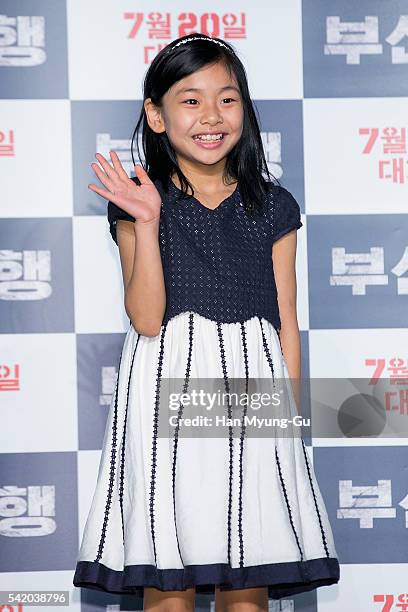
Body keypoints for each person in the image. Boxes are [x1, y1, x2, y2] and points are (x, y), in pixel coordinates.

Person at [73, 33, 340, 610]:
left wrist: (286, 421)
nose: (211, 116)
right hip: (167, 382)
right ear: (157, 114)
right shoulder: (138, 198)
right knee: (171, 584)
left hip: (254, 386)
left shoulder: (274, 205)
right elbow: (145, 318)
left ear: (245, 107)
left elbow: (285, 319)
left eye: (227, 98)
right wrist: (146, 221)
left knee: (247, 587)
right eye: (190, 100)